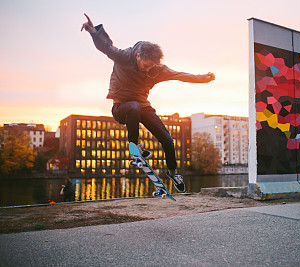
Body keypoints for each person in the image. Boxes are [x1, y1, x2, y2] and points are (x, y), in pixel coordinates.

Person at [81, 14, 215, 192]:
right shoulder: (123, 56)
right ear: (137, 56)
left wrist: (203, 78)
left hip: (142, 106)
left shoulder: (158, 70)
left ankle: (173, 173)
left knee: (167, 139)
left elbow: (180, 75)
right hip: (121, 107)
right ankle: (134, 146)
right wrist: (94, 32)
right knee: (134, 107)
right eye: (146, 65)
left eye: (152, 66)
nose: (148, 69)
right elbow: (107, 47)